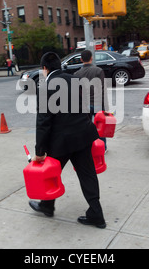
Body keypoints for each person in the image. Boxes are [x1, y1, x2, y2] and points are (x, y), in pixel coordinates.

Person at [28, 52, 106, 229]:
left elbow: (43, 122)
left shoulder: (46, 87)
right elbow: (85, 108)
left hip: (61, 142)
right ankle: (96, 213)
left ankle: (47, 206)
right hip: (83, 136)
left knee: (51, 173)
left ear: (45, 68)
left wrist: (40, 152)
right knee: (88, 175)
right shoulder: (74, 80)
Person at [74, 50, 108, 152]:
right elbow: (103, 90)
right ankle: (103, 148)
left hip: (85, 105)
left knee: (85, 127)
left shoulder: (77, 73)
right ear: (91, 58)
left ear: (81, 59)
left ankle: (88, 147)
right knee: (100, 128)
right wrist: (105, 107)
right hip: (98, 103)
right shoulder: (98, 71)